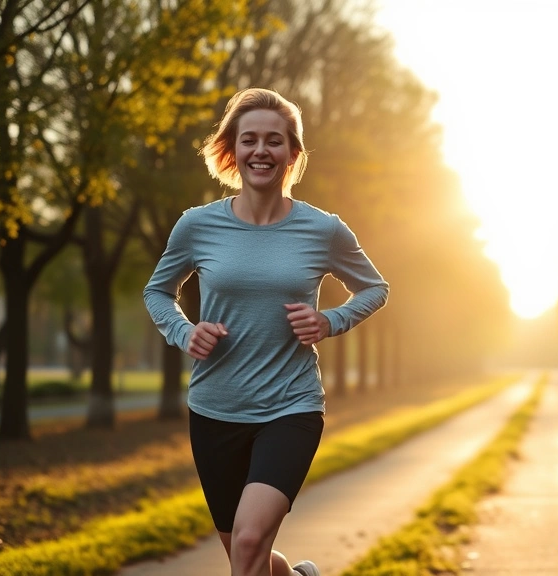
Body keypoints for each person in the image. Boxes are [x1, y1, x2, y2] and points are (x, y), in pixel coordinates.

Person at [143, 87, 389, 576]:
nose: (261, 150)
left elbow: (374, 288)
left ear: (292, 154)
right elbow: (157, 291)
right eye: (249, 139)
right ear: (232, 149)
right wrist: (184, 332)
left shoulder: (323, 229)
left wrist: (329, 320)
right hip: (215, 409)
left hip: (290, 407)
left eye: (274, 141)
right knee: (245, 553)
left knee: (251, 540)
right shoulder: (196, 226)